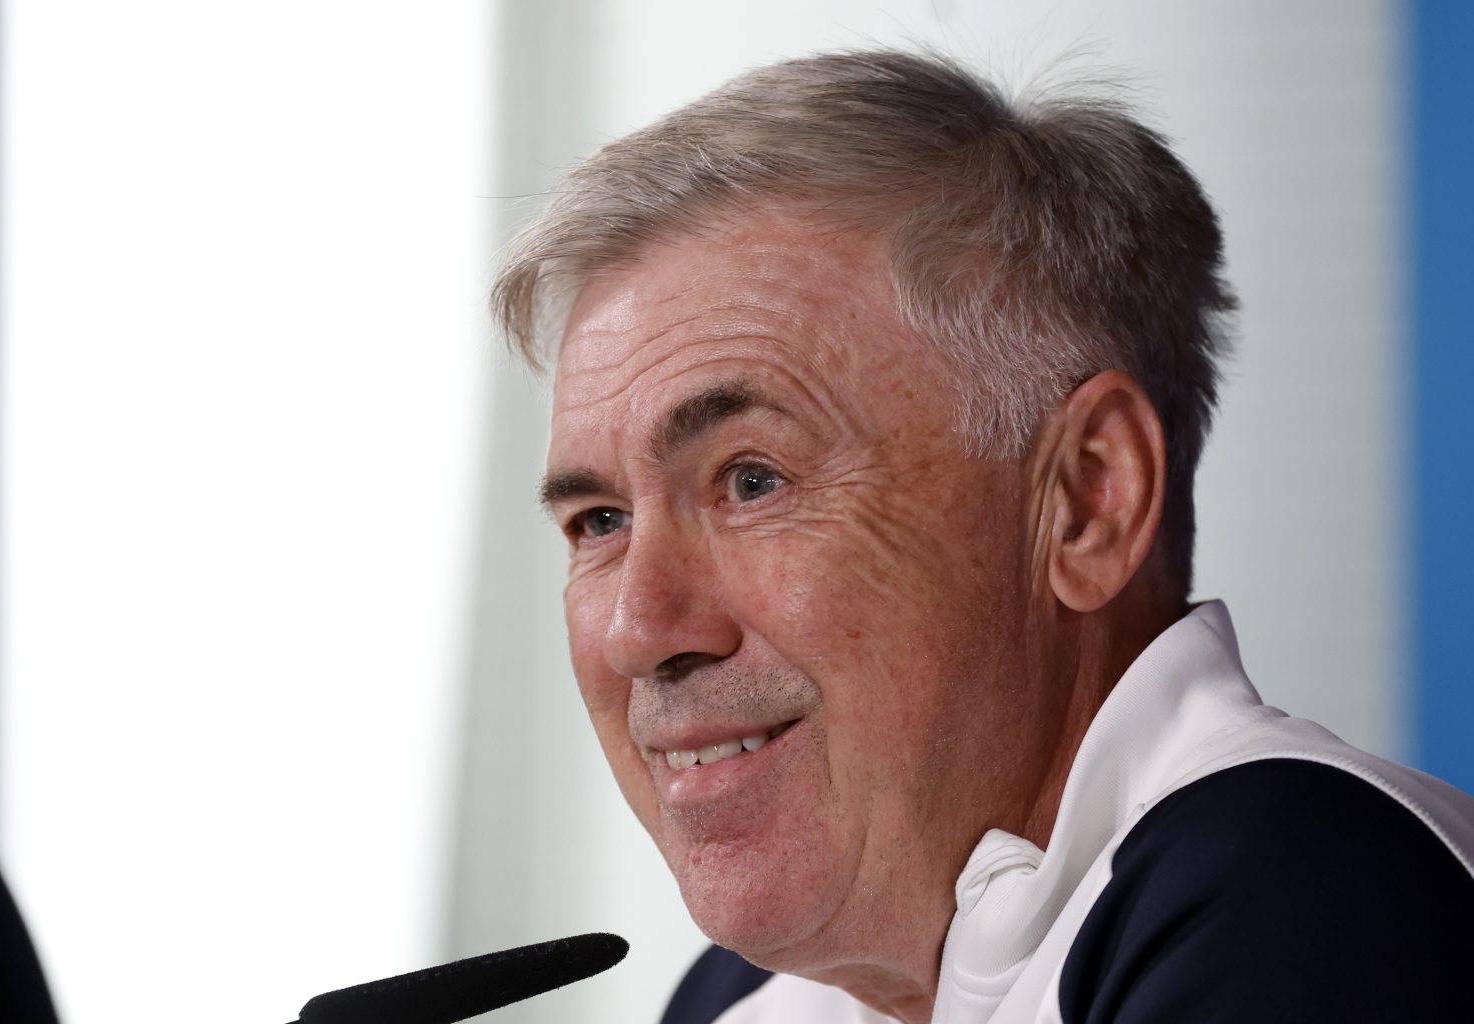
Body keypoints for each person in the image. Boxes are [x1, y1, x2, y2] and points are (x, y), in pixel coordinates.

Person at [491, 49, 1474, 1024]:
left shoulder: (1308, 902)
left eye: (753, 481)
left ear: (1086, 501)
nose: (638, 630)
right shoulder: (735, 1001)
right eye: (600, 520)